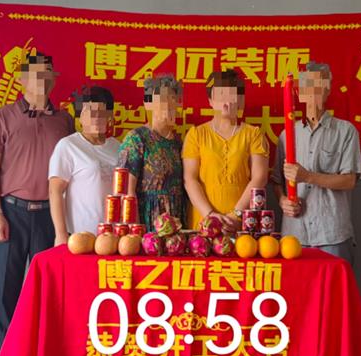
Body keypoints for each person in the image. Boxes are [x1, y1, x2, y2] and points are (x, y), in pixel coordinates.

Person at [0, 54, 74, 356]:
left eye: (48, 73)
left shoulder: (64, 121)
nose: (42, 79)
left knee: (45, 293)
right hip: (12, 213)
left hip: (50, 216)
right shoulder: (3, 116)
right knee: (5, 292)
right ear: (21, 79)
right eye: (35, 73)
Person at [271, 62, 361, 265]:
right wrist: (282, 200)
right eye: (307, 86)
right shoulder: (287, 134)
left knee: (335, 286)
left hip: (332, 234)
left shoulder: (346, 131)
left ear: (328, 89)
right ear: (299, 93)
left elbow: (349, 181)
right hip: (294, 234)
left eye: (319, 85)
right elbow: (276, 181)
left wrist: (308, 176)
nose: (313, 92)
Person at [183, 70, 269, 232]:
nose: (226, 102)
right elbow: (190, 179)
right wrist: (210, 215)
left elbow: (260, 177)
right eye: (220, 95)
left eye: (232, 95)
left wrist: (236, 215)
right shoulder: (196, 134)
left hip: (241, 222)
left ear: (240, 100)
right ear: (210, 101)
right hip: (204, 223)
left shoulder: (254, 134)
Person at [49, 86, 120, 243]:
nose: (97, 117)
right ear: (80, 117)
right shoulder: (68, 146)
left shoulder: (117, 147)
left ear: (110, 117)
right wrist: (60, 234)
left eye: (102, 112)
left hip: (114, 235)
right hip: (81, 236)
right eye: (90, 111)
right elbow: (55, 191)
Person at [116, 75, 186, 231]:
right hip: (147, 223)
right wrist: (135, 230)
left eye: (172, 99)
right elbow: (125, 190)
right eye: (161, 99)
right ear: (148, 103)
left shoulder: (178, 142)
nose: (168, 105)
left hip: (175, 224)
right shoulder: (136, 138)